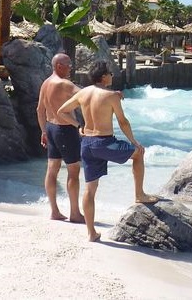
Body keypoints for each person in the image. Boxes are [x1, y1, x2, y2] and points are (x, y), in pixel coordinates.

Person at [57, 61, 159, 242]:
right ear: (104, 76)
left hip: (87, 144)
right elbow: (123, 122)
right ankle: (139, 194)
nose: (112, 75)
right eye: (110, 73)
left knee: (90, 189)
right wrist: (135, 142)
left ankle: (91, 233)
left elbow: (61, 111)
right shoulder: (111, 96)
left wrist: (78, 125)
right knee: (138, 153)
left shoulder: (83, 93)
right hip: (104, 143)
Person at [36, 53, 84, 223]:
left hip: (50, 128)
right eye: (68, 64)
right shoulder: (65, 84)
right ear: (58, 66)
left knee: (52, 170)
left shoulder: (46, 83)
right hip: (65, 130)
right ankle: (75, 213)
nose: (71, 67)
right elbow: (86, 95)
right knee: (73, 171)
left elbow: (39, 110)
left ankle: (54, 211)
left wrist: (43, 131)